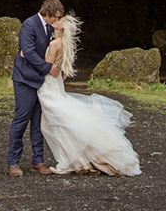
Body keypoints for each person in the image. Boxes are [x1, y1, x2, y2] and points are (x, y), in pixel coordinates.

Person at [37, 13, 141, 176]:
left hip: (48, 90)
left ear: (61, 27)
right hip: (57, 88)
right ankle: (79, 161)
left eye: (59, 21)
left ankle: (67, 163)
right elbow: (64, 73)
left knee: (54, 127)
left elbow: (46, 68)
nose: (55, 21)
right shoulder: (67, 45)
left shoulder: (55, 43)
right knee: (63, 126)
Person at [7, 0, 65, 176]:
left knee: (39, 122)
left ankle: (38, 160)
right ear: (47, 13)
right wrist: (49, 68)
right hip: (25, 79)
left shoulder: (50, 27)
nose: (57, 20)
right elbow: (29, 53)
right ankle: (13, 162)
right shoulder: (29, 25)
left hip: (42, 81)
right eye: (55, 17)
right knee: (22, 118)